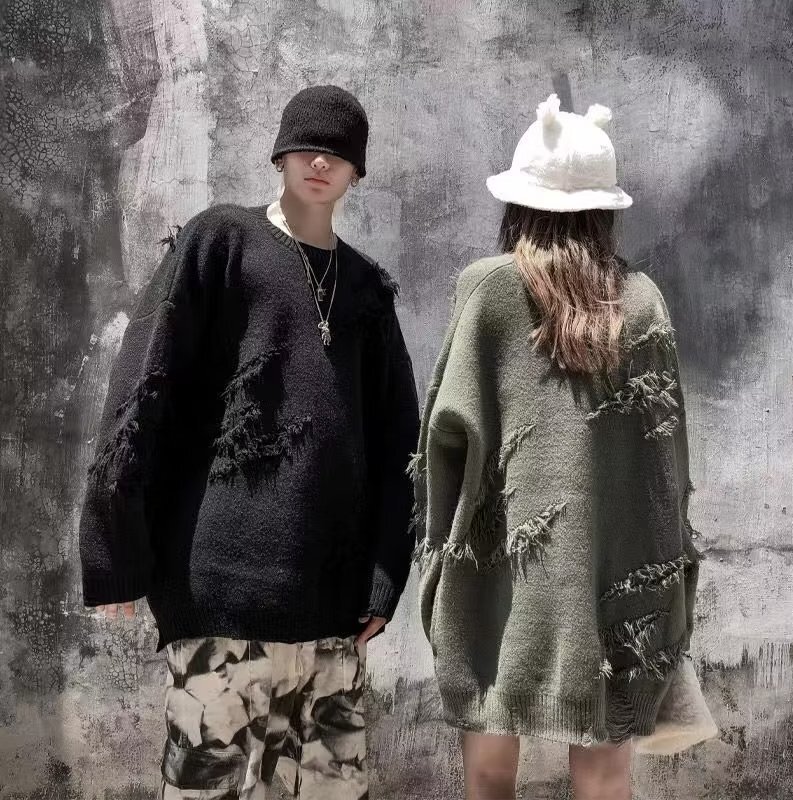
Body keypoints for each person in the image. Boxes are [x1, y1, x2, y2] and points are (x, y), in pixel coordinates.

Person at [78, 84, 421, 800]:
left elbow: (399, 445)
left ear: (357, 172)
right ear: (280, 155)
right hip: (220, 591)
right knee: (210, 789)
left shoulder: (366, 289)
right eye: (306, 146)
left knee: (328, 791)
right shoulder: (221, 240)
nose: (319, 162)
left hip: (332, 606)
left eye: (337, 153)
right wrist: (114, 544)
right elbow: (144, 378)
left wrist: (386, 577)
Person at [410, 93, 713, 800]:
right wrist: (673, 580)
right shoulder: (642, 298)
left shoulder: (487, 290)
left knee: (489, 774)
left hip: (500, 574)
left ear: (519, 202)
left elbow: (444, 441)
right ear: (604, 210)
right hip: (613, 573)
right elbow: (667, 465)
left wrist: (438, 565)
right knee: (605, 776)